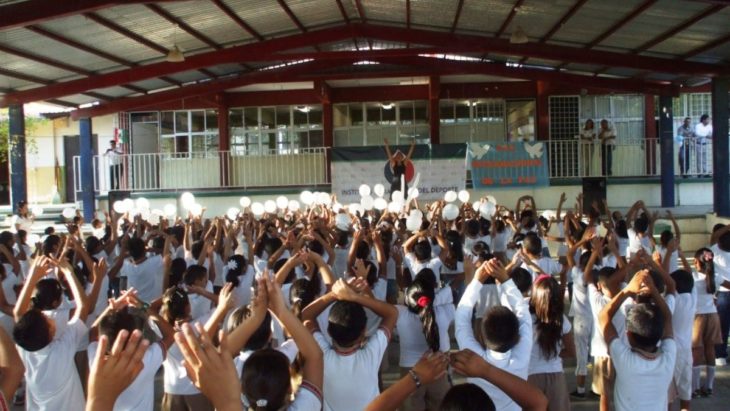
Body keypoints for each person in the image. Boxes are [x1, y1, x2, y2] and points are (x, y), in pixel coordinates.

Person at [455, 258, 532, 411]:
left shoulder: (474, 357)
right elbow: (523, 313)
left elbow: (461, 316)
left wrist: (477, 280)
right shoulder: (521, 356)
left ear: (482, 336)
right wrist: (505, 279)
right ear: (517, 336)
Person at [600, 270, 676, 411]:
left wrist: (628, 290)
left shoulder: (623, 359)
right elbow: (668, 318)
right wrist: (653, 290)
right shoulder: (669, 357)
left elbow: (603, 317)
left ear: (628, 334)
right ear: (661, 334)